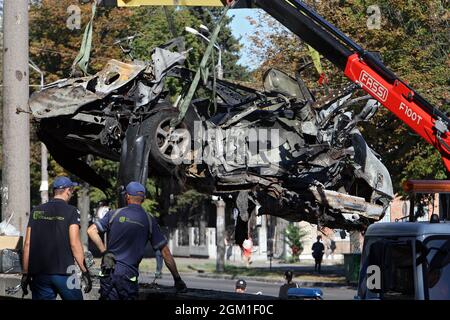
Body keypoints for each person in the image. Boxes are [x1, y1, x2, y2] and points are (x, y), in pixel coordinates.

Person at [87, 181, 187, 300]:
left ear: (127, 196)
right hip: (128, 276)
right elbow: (165, 252)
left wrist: (105, 252)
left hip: (108, 271)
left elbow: (91, 231)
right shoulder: (149, 220)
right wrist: (177, 279)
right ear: (143, 199)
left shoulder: (113, 214)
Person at [21, 176, 92, 300]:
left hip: (39, 274)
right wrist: (84, 270)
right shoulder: (71, 211)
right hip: (65, 272)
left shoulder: (36, 211)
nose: (72, 194)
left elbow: (27, 244)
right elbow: (74, 243)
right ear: (67, 190)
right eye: (72, 191)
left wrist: (25, 273)